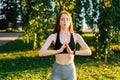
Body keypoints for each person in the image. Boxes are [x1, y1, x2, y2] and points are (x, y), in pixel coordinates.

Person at [39, 10, 92, 80]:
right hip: (57, 70)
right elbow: (41, 53)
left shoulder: (76, 36)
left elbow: (88, 52)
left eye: (67, 19)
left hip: (70, 71)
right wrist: (58, 51)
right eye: (62, 19)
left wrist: (73, 52)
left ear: (70, 22)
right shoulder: (53, 36)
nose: (65, 21)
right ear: (59, 22)